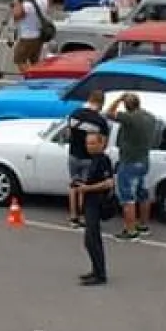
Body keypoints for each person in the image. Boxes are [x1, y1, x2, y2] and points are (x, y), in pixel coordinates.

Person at [108, 92, 157, 240]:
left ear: (126, 105)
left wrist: (117, 99)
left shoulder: (129, 118)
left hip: (129, 161)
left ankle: (130, 231)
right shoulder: (149, 117)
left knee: (127, 197)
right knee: (143, 194)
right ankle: (143, 225)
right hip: (144, 160)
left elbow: (109, 113)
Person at [65, 91, 109, 228]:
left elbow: (68, 134)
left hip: (73, 155)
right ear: (101, 103)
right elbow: (103, 144)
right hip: (89, 159)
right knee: (85, 188)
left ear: (89, 99)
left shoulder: (75, 113)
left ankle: (73, 217)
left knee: (74, 185)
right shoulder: (100, 121)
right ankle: (84, 217)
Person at [77, 129, 114, 287]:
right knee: (89, 240)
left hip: (97, 203)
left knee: (93, 240)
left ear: (101, 144)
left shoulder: (103, 160)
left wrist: (87, 189)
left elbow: (108, 183)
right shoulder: (93, 159)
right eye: (87, 143)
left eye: (93, 143)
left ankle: (100, 275)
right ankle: (95, 270)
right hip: (89, 202)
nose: (89, 146)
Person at [11, 0, 50, 71]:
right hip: (40, 36)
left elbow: (16, 16)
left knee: (20, 60)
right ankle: (36, 78)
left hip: (27, 38)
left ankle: (30, 78)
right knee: (35, 61)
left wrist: (17, 2)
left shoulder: (26, 5)